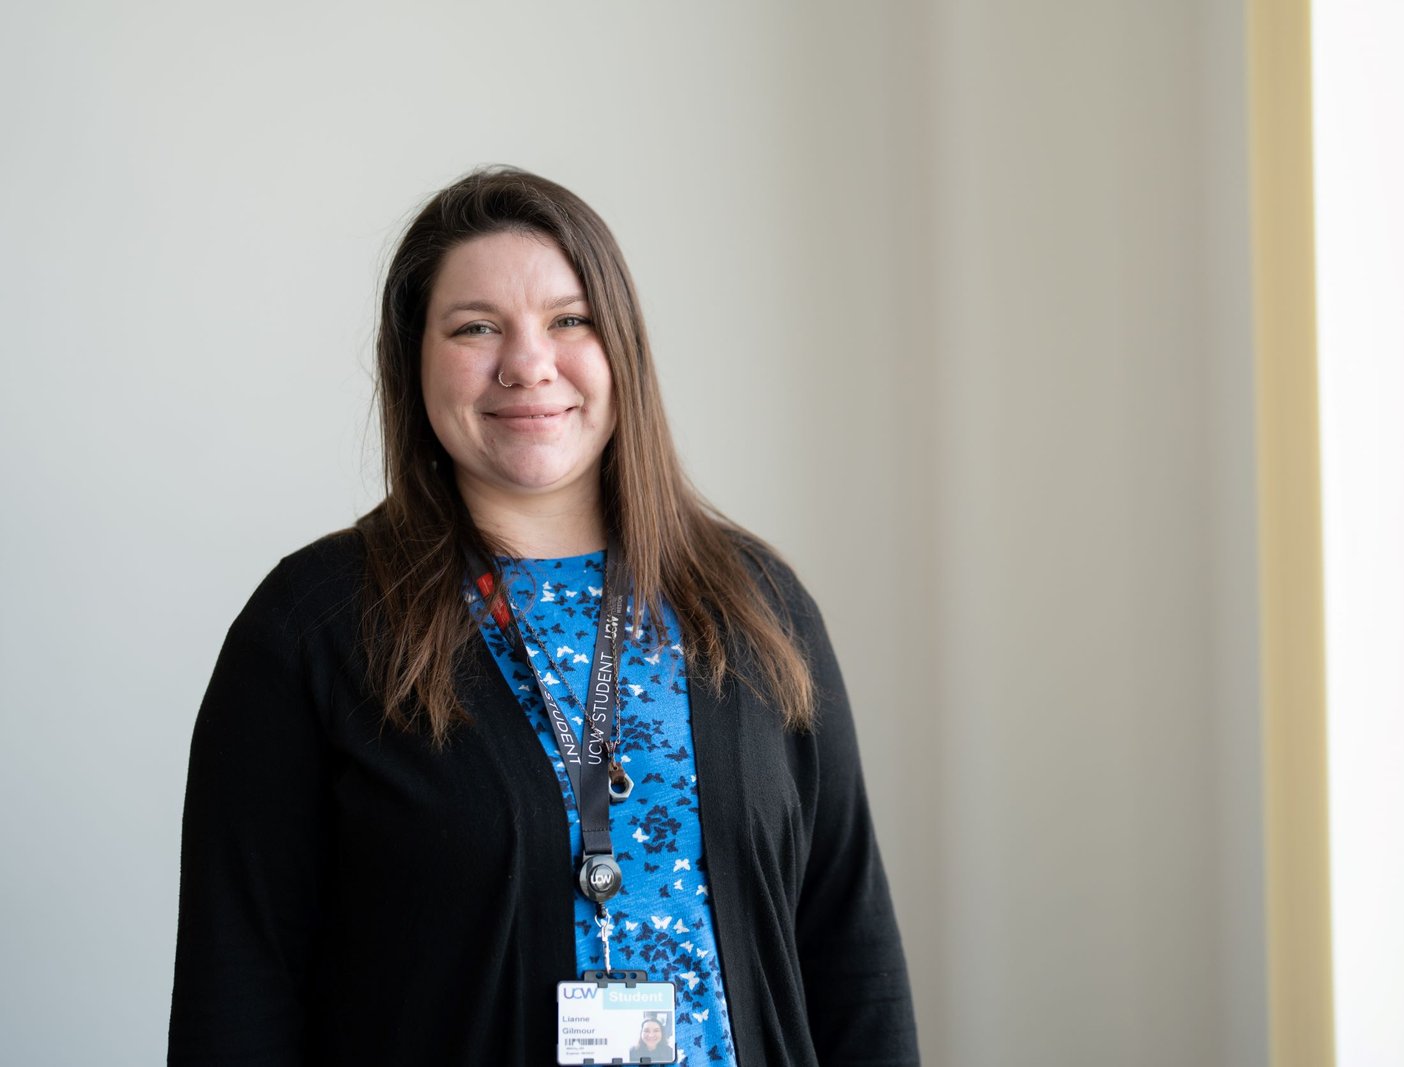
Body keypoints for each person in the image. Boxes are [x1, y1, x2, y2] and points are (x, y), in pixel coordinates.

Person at [167, 166, 919, 1066]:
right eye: (476, 327)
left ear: (621, 350)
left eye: (570, 320)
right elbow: (236, 988)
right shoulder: (313, 626)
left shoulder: (755, 605)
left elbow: (853, 952)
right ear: (414, 361)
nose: (528, 363)